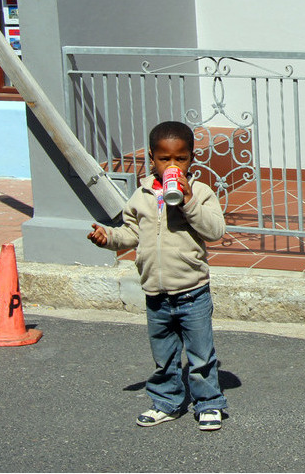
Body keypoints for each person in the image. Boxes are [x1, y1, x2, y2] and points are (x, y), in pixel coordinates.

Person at [87, 121, 228, 431]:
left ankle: (208, 403)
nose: (172, 165)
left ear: (192, 158)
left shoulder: (201, 192)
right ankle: (166, 402)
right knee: (164, 356)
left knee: (201, 354)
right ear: (152, 158)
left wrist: (189, 201)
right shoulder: (142, 195)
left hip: (193, 291)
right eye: (165, 159)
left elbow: (215, 231)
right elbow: (130, 233)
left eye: (181, 159)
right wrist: (108, 237)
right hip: (156, 295)